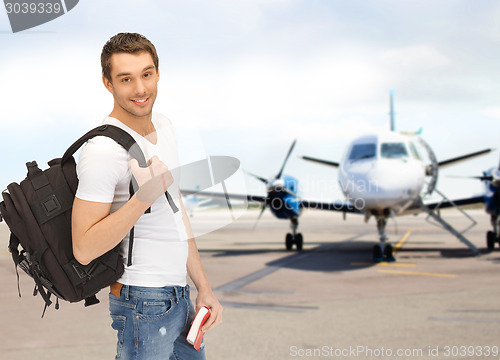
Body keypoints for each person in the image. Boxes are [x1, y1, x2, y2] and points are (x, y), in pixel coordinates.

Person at [71, 32, 222, 359]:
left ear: (157, 73)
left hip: (179, 296)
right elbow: (83, 248)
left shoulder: (165, 126)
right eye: (126, 79)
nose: (140, 89)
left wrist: (202, 286)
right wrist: (143, 197)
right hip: (141, 300)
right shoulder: (103, 151)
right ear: (108, 83)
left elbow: (176, 212)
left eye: (147, 74)